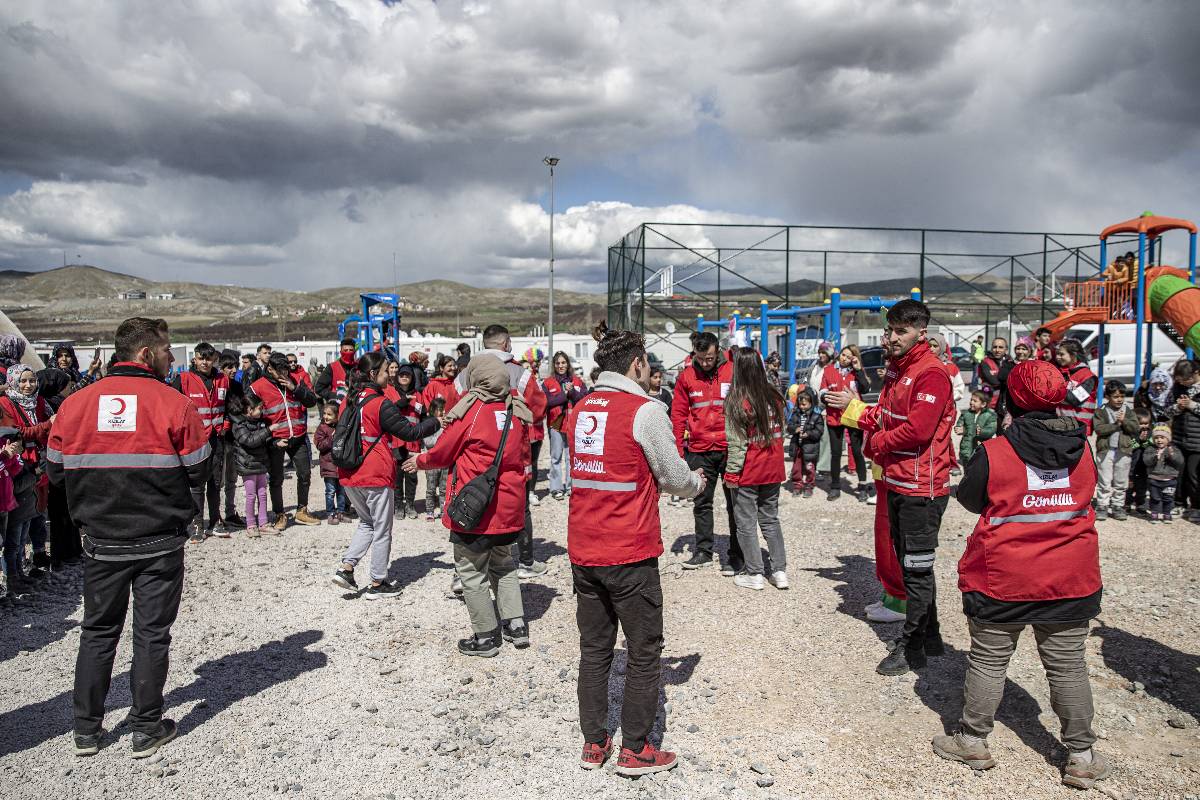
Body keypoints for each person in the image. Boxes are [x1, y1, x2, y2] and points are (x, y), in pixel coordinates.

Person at [938, 358, 1109, 791]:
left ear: (1011, 398)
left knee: (989, 660)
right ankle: (1082, 757)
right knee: (1068, 666)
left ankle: (974, 740)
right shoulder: (1084, 448)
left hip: (1004, 578)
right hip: (1070, 576)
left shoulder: (995, 452)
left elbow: (972, 501)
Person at [46, 317, 211, 759]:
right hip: (159, 542)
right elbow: (200, 467)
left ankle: (86, 731)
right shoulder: (173, 403)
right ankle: (145, 727)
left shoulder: (75, 404)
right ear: (144, 354)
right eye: (165, 350)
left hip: (100, 540)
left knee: (97, 632)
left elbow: (55, 470)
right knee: (152, 634)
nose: (170, 358)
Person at [565, 323, 704, 776]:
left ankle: (593, 743)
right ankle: (636, 749)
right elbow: (674, 475)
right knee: (644, 651)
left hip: (584, 548)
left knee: (594, 649)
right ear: (637, 363)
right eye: (647, 362)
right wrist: (698, 482)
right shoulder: (645, 410)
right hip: (630, 550)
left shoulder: (580, 408)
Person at [827, 299, 956, 676]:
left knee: (916, 570)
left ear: (921, 332)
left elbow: (917, 429)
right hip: (899, 481)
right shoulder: (899, 370)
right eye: (890, 330)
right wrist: (857, 412)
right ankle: (929, 638)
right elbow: (886, 414)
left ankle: (911, 647)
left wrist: (877, 444)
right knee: (912, 566)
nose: (893, 337)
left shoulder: (931, 373)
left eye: (901, 331)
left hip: (922, 487)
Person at [408, 353, 531, 652]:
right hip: (509, 504)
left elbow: (444, 451)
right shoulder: (516, 408)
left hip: (477, 507)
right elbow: (525, 456)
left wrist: (420, 461)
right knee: (503, 563)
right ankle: (516, 625)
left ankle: (486, 636)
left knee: (471, 570)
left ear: (477, 377)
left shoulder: (472, 410)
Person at [331, 353, 438, 599]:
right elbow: (410, 432)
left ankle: (346, 568)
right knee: (382, 528)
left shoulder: (350, 399)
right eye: (383, 371)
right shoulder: (380, 403)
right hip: (375, 473)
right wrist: (435, 422)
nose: (389, 374)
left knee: (367, 522)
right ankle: (378, 583)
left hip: (349, 473)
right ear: (372, 375)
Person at [454, 324, 548, 577]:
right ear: (506, 344)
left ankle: (466, 569)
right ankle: (525, 561)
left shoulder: (463, 375)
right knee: (519, 506)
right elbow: (538, 411)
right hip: (513, 452)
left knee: (471, 502)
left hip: (473, 455)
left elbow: (455, 414)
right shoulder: (521, 373)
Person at [672, 331, 743, 574]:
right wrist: (678, 452)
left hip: (729, 448)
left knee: (736, 504)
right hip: (700, 450)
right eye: (700, 358)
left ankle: (737, 555)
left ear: (717, 351)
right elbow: (679, 414)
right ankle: (703, 551)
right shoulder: (686, 376)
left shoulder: (733, 371)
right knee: (702, 502)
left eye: (710, 358)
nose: (705, 363)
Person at [723, 347, 788, 591]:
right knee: (771, 520)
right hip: (774, 467)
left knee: (746, 523)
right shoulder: (775, 395)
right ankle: (780, 571)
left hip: (749, 471)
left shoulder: (737, 399)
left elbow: (737, 443)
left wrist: (731, 473)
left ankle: (755, 573)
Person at [248, 352, 320, 530]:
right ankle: (280, 514)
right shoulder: (257, 387)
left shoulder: (295, 379)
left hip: (298, 436)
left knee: (304, 474)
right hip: (276, 440)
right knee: (276, 479)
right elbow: (251, 418)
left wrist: (295, 387)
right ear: (270, 368)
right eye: (281, 371)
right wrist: (270, 439)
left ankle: (302, 510)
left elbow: (312, 401)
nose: (285, 374)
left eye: (287, 370)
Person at [171, 342, 230, 540]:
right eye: (201, 358)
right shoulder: (184, 379)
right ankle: (196, 523)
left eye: (208, 358)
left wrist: (227, 424)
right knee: (197, 483)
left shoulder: (223, 380)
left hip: (217, 438)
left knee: (215, 482)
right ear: (194, 359)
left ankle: (215, 521)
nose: (205, 362)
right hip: (195, 440)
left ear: (214, 359)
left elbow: (233, 404)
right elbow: (172, 406)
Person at [819, 345, 870, 501]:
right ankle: (835, 487)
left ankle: (862, 486)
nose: (845, 359)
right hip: (834, 416)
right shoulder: (828, 370)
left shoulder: (856, 372)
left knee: (856, 451)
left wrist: (859, 369)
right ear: (839, 354)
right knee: (835, 453)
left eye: (849, 357)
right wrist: (827, 397)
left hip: (853, 415)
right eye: (843, 355)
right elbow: (822, 390)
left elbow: (866, 388)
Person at [1092, 380, 1139, 521]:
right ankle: (1102, 505)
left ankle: (1118, 505)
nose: (1119, 399)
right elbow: (1099, 429)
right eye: (1116, 396)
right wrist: (1116, 424)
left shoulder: (1128, 411)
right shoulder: (1101, 411)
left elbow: (1135, 428)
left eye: (1122, 396)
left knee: (1121, 480)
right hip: (1106, 450)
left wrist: (1124, 421)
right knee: (1104, 480)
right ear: (1108, 397)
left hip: (1123, 450)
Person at [544, 351, 587, 501]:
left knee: (571, 457)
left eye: (563, 363)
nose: (561, 366)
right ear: (554, 365)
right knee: (556, 457)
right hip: (555, 425)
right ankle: (556, 488)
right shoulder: (548, 382)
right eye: (558, 363)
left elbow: (583, 399)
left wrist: (572, 393)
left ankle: (570, 486)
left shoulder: (578, 381)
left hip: (573, 424)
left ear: (567, 364)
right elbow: (546, 402)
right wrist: (564, 394)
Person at [228, 392, 273, 536]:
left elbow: (262, 441)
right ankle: (251, 524)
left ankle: (263, 522)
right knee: (251, 495)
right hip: (247, 466)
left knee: (263, 493)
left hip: (260, 464)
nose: (262, 411)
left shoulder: (259, 422)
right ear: (249, 410)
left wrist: (275, 441)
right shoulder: (239, 425)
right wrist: (268, 431)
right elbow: (250, 441)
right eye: (259, 408)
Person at [387, 363, 423, 519]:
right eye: (401, 375)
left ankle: (410, 504)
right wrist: (400, 403)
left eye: (407, 375)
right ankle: (398, 505)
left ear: (412, 377)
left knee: (411, 476)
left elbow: (422, 416)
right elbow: (386, 413)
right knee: (397, 475)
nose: (404, 377)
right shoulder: (390, 392)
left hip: (413, 443)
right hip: (396, 441)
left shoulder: (419, 394)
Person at [1167, 359, 1200, 519]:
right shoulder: (1177, 388)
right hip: (1179, 438)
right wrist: (1178, 407)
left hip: (1197, 441)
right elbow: (1166, 410)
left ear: (1195, 373)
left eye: (1185, 380)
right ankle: (1178, 502)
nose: (1183, 384)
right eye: (1180, 381)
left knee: (1193, 475)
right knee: (1178, 472)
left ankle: (1196, 506)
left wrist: (1192, 405)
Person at [1054, 339, 1098, 436]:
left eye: (1061, 354)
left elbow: (1075, 399)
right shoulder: (1061, 373)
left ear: (1073, 355)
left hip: (1078, 428)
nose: (1057, 357)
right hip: (1061, 426)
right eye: (1057, 354)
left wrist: (1055, 390)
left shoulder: (1088, 376)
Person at [313, 403, 346, 525]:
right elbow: (320, 446)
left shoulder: (341, 427)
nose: (326, 416)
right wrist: (332, 438)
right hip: (329, 466)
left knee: (342, 491)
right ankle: (330, 514)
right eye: (324, 414)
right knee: (330, 491)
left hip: (341, 466)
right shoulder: (321, 428)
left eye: (329, 414)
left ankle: (341, 513)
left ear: (337, 416)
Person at [521, 350, 546, 506]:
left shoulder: (541, 379)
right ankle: (522, 492)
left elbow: (542, 401)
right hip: (524, 427)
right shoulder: (523, 379)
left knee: (534, 462)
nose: (534, 365)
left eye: (537, 361)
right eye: (532, 362)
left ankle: (531, 492)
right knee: (523, 462)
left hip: (536, 428)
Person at [786, 387, 822, 497]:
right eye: (800, 404)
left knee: (810, 468)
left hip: (810, 448)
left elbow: (819, 431)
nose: (802, 407)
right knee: (796, 468)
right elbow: (789, 427)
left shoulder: (816, 416)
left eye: (805, 404)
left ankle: (809, 486)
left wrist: (809, 434)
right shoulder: (796, 415)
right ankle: (797, 485)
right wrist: (794, 429)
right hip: (798, 447)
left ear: (811, 403)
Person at [1144, 424, 1183, 523]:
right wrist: (1155, 457)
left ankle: (1167, 514)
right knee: (1155, 498)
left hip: (1170, 480)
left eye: (1162, 437)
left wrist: (1172, 455)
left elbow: (1180, 462)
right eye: (1156, 438)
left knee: (1168, 499)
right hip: (1154, 479)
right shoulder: (1150, 449)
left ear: (1168, 439)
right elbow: (1146, 461)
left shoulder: (1174, 449)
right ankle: (1155, 514)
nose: (1159, 440)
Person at [421, 397, 449, 520]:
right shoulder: (429, 424)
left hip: (444, 462)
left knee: (444, 489)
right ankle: (430, 511)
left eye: (444, 410)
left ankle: (444, 511)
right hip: (431, 462)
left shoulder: (448, 423)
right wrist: (442, 434)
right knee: (431, 489)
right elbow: (428, 442)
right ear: (433, 410)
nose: (443, 412)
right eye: (440, 409)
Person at [956, 390, 997, 464]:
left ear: (983, 404)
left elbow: (991, 430)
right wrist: (960, 430)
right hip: (966, 448)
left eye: (975, 401)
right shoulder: (966, 414)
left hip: (981, 448)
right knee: (967, 467)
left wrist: (981, 432)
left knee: (979, 468)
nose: (971, 402)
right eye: (971, 400)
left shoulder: (990, 416)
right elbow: (959, 424)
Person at [1124, 408, 1152, 515]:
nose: (1144, 426)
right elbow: (1130, 446)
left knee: (1142, 487)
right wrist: (1139, 440)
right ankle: (1127, 503)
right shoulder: (1130, 433)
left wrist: (1145, 441)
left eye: (1146, 423)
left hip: (1143, 467)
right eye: (1141, 424)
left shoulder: (1149, 433)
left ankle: (1140, 503)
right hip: (1131, 466)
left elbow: (1149, 446)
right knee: (1129, 486)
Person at [316, 337, 358, 404]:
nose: (348, 352)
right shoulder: (332, 367)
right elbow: (319, 388)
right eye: (345, 350)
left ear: (354, 352)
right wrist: (335, 396)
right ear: (341, 352)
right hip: (337, 408)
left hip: (355, 407)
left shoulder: (359, 367)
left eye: (351, 350)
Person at [977, 338, 1012, 410]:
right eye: (995, 347)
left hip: (1006, 404)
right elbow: (993, 381)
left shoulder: (1010, 361)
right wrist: (1006, 380)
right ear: (991, 348)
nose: (997, 350)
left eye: (1001, 347)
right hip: (990, 404)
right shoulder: (985, 362)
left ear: (1006, 349)